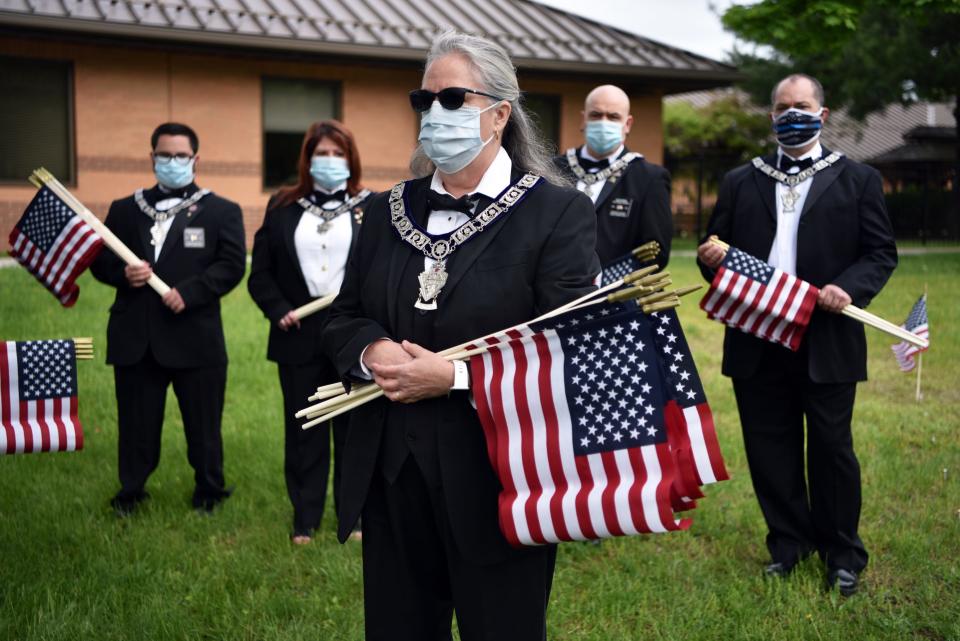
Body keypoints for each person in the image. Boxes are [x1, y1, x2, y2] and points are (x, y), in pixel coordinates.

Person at [321, 31, 599, 641]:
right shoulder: (386, 209)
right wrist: (374, 352)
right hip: (393, 472)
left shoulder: (556, 213)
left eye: (453, 100)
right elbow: (344, 315)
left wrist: (454, 377)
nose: (433, 115)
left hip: (498, 471)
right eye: (424, 101)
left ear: (499, 114)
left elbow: (570, 347)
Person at [697, 74, 897, 596]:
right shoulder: (742, 180)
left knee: (831, 448)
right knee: (770, 446)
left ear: (823, 114)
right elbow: (718, 250)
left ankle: (842, 553)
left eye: (802, 105)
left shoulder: (858, 179)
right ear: (771, 116)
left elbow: (880, 253)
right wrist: (709, 258)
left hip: (826, 334)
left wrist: (847, 289)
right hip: (756, 333)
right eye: (783, 107)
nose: (792, 114)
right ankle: (788, 544)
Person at [91, 122, 246, 515]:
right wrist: (122, 274)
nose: (172, 161)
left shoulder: (221, 210)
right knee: (136, 424)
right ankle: (131, 491)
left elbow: (231, 266)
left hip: (195, 336)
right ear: (152, 158)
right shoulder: (125, 209)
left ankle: (209, 490)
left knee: (203, 424)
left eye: (180, 155)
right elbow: (100, 262)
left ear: (195, 159)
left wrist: (190, 292)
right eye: (164, 155)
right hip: (136, 336)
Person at [248, 120, 374, 544]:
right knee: (304, 428)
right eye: (323, 153)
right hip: (297, 333)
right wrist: (278, 309)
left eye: (339, 154)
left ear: (350, 160)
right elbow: (261, 273)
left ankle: (354, 517)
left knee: (353, 429)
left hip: (352, 337)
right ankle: (305, 518)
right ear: (308, 159)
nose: (330, 162)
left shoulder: (370, 207)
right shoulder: (282, 205)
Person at [554, 84, 672, 268]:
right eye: (596, 115)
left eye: (613, 117)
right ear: (583, 119)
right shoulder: (552, 169)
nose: (603, 122)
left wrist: (605, 281)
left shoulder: (649, 178)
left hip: (616, 292)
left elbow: (656, 253)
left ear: (628, 124)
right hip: (555, 291)